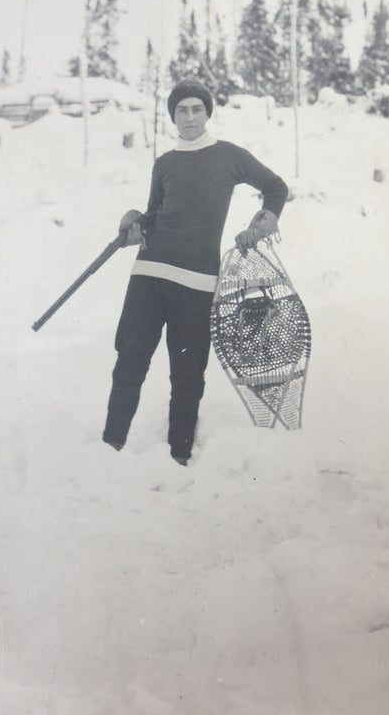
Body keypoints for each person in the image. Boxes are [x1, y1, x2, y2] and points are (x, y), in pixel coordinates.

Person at [102, 78, 288, 466]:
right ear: (173, 116)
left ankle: (179, 458)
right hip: (149, 276)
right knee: (129, 362)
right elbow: (155, 216)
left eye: (196, 109)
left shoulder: (228, 156)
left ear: (207, 113)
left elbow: (276, 187)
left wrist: (262, 223)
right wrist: (135, 222)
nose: (189, 117)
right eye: (181, 110)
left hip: (198, 283)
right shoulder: (165, 163)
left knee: (187, 375)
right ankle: (109, 448)